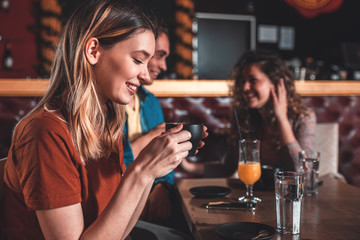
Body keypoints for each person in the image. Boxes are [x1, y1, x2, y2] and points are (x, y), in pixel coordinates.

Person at [0, 1, 199, 239]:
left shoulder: (107, 124)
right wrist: (141, 173)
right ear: (93, 51)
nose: (146, 76)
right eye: (138, 60)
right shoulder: (45, 132)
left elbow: (120, 231)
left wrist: (150, 170)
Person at [181, 49, 316, 177]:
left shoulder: (303, 117)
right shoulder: (245, 118)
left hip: (288, 197)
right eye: (243, 81)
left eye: (253, 80)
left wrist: (282, 119)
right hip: (254, 195)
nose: (245, 87)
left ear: (276, 83)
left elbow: (304, 173)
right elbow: (227, 168)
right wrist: (188, 166)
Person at [122, 24, 172, 222]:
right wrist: (153, 137)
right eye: (158, 56)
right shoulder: (108, 101)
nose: (164, 66)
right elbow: (111, 167)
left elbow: (165, 156)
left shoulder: (150, 101)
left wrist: (163, 186)